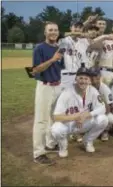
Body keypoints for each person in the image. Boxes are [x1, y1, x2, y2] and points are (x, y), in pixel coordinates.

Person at [51, 65, 108, 158]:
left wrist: (87, 115)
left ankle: (88, 141)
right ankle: (63, 147)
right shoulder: (67, 92)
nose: (83, 81)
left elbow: (103, 108)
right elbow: (56, 117)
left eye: (86, 78)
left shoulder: (93, 91)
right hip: (70, 124)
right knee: (56, 129)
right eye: (80, 78)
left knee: (103, 119)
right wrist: (75, 117)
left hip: (85, 122)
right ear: (76, 79)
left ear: (89, 80)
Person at [31, 22, 64, 165]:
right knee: (41, 120)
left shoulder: (59, 48)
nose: (53, 32)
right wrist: (52, 59)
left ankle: (50, 144)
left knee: (53, 118)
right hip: (45, 87)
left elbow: (61, 68)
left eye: (55, 30)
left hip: (58, 86)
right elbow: (35, 70)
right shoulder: (39, 48)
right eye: (50, 30)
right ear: (45, 32)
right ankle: (38, 153)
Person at [89, 20, 113, 86]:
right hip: (104, 72)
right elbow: (90, 45)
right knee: (103, 94)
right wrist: (103, 38)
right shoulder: (105, 38)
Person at [59, 21, 92, 89]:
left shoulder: (83, 42)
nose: (78, 29)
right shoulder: (63, 40)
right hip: (65, 76)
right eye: (76, 27)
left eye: (80, 27)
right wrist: (74, 33)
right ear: (70, 28)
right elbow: (58, 35)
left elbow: (83, 62)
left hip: (78, 76)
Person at [89, 66, 113, 141]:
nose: (93, 78)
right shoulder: (85, 87)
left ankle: (105, 131)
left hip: (101, 112)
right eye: (91, 75)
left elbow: (111, 107)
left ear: (99, 76)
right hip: (89, 113)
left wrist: (102, 101)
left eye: (95, 75)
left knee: (110, 118)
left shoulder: (104, 88)